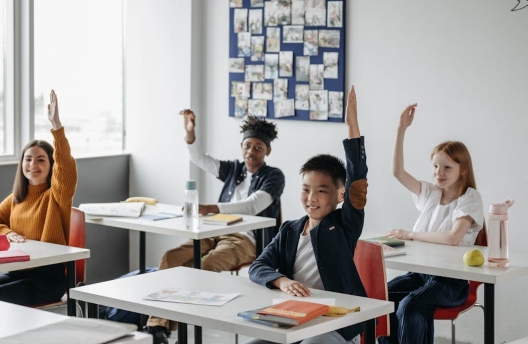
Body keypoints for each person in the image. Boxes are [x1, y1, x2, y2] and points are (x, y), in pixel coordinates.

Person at [145, 110, 285, 343]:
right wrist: (190, 132)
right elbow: (200, 159)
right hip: (214, 232)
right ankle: (158, 326)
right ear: (242, 146)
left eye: (258, 147)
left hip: (245, 241)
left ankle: (181, 323)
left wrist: (212, 207)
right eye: (248, 145)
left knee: (205, 265)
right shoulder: (233, 170)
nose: (251, 151)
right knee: (171, 258)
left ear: (267, 150)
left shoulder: (274, 176)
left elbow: (252, 206)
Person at [245, 86, 367, 344]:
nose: (312, 198)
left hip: (335, 322)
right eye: (306, 189)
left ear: (340, 195)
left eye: (321, 191)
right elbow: (258, 267)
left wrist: (352, 126)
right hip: (295, 317)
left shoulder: (345, 225)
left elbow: (357, 180)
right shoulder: (289, 230)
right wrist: (281, 281)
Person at [378, 104, 484, 344]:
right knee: (380, 300)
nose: (439, 172)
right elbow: (397, 172)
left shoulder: (470, 198)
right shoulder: (430, 193)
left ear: (463, 169)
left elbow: (453, 237)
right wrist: (401, 129)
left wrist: (411, 234)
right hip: (420, 274)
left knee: (410, 306)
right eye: (436, 166)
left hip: (451, 281)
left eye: (447, 167)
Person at [0, 89, 78, 306]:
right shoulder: (17, 198)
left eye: (41, 160)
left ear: (51, 165)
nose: (33, 165)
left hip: (47, 280)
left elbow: (67, 168)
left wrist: (57, 127)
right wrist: (7, 232)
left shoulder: (57, 196)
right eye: (28, 159)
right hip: (18, 272)